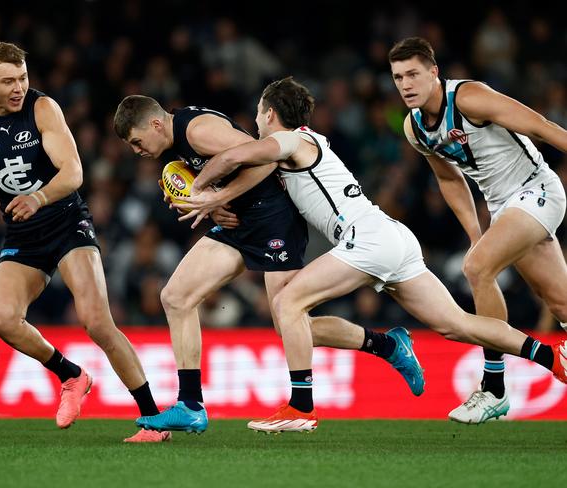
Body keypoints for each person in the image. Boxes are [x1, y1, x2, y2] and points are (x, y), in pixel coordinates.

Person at [174, 77, 567, 432]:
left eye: (259, 113)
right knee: (456, 324)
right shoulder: (292, 147)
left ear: (270, 112)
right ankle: (552, 358)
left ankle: (301, 406)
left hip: (365, 240)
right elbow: (252, 171)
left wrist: (200, 194)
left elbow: (231, 157)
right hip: (390, 236)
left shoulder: (292, 140)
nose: (256, 121)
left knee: (287, 302)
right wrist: (221, 200)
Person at [113, 95, 425, 434]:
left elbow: (266, 161)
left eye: (136, 141)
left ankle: (387, 346)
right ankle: (190, 405)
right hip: (241, 222)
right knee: (175, 297)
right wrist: (212, 202)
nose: (136, 150)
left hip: (274, 220)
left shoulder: (198, 130)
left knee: (288, 322)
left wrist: (219, 197)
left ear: (156, 124)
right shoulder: (172, 145)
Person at [0, 42, 169, 443]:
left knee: (97, 322)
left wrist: (39, 197)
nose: (18, 87)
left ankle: (152, 419)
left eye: (23, 77)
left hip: (66, 223)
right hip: (23, 235)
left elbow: (74, 171)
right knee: (2, 319)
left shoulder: (43, 109)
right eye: (8, 80)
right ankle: (71, 376)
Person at [388, 36, 567, 423]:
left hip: (537, 189)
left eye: (413, 74)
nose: (405, 84)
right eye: (398, 77)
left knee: (476, 268)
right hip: (504, 208)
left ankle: (495, 387)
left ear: (434, 73)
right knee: (560, 302)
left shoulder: (468, 99)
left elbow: (541, 126)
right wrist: (475, 234)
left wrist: (479, 251)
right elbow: (450, 180)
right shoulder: (415, 128)